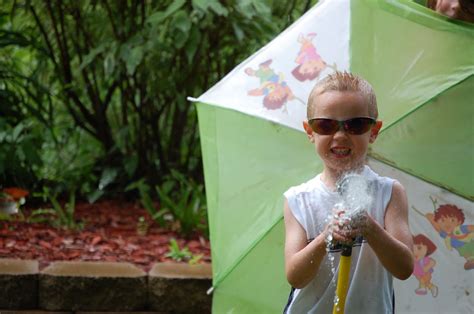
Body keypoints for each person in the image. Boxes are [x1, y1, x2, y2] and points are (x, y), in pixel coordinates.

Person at [283, 71, 414, 313]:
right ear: (310, 131)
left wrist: (369, 227)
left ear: (373, 131)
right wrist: (325, 238)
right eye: (325, 125)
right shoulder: (299, 200)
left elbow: (404, 267)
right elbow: (295, 276)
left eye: (356, 124)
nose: (341, 135)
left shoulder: (389, 193)